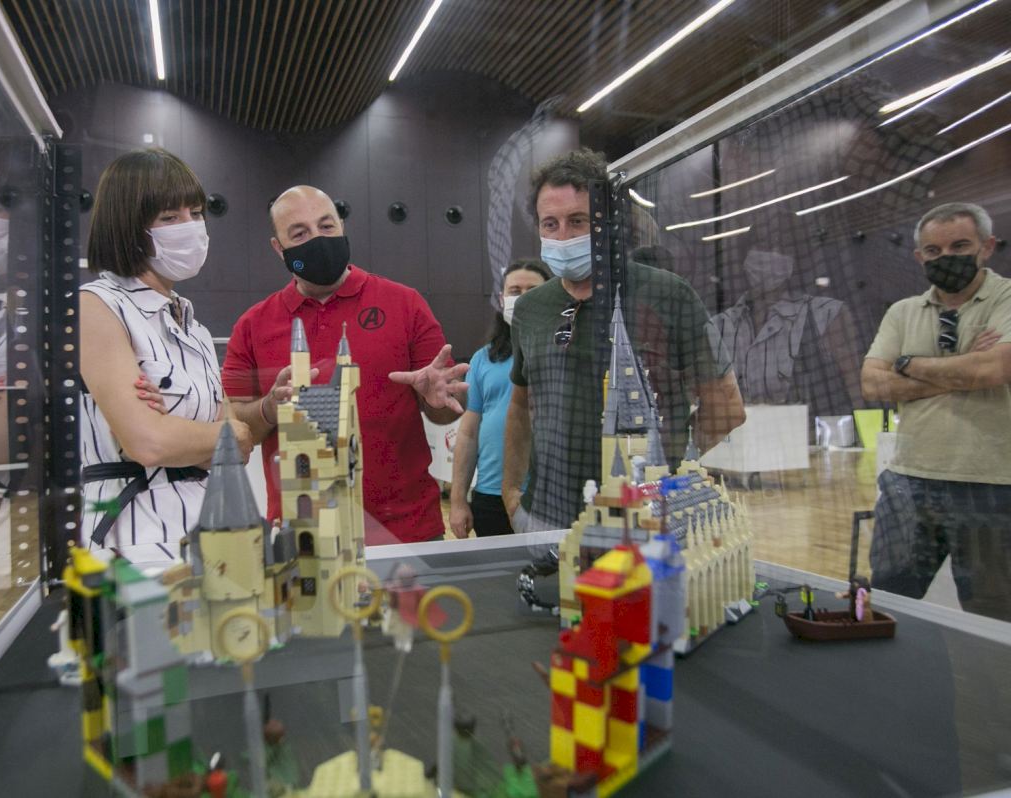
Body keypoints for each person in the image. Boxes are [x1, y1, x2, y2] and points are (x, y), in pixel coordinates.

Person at [502, 148, 745, 532]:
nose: (563, 236)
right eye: (550, 224)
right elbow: (519, 406)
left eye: (577, 221)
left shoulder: (668, 295)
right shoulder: (530, 309)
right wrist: (511, 492)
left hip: (645, 522)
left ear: (607, 224)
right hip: (543, 519)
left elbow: (727, 407)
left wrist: (667, 465)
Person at [222, 185, 468, 544]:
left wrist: (436, 399)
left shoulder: (405, 304)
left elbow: (446, 412)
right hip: (302, 533)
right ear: (279, 248)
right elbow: (234, 425)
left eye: (326, 226)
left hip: (406, 530)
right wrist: (269, 409)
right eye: (300, 233)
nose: (318, 240)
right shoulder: (253, 325)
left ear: (342, 227)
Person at [79, 149, 250, 561]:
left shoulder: (194, 326)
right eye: (170, 217)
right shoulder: (96, 306)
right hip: (133, 541)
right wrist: (227, 434)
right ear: (127, 226)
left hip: (210, 527)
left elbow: (237, 450)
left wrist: (189, 433)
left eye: (196, 213)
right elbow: (149, 442)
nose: (190, 227)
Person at [861, 202, 1011, 623]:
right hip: (908, 481)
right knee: (887, 601)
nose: (946, 257)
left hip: (991, 485)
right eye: (934, 250)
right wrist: (963, 368)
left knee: (992, 616)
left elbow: (995, 368)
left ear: (987, 247)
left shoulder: (1006, 298)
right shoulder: (902, 312)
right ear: (919, 256)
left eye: (959, 246)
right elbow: (872, 383)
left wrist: (908, 363)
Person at [712, 248, 863, 437]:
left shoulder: (826, 314)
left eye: (778, 247)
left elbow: (854, 383)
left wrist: (864, 436)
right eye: (761, 245)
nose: (768, 257)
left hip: (808, 443)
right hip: (739, 442)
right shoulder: (720, 326)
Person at [449, 259, 550, 538]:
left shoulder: (564, 353)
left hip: (550, 495)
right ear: (502, 298)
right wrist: (457, 500)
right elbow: (469, 432)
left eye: (533, 291)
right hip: (491, 495)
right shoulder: (483, 358)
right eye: (515, 291)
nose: (523, 298)